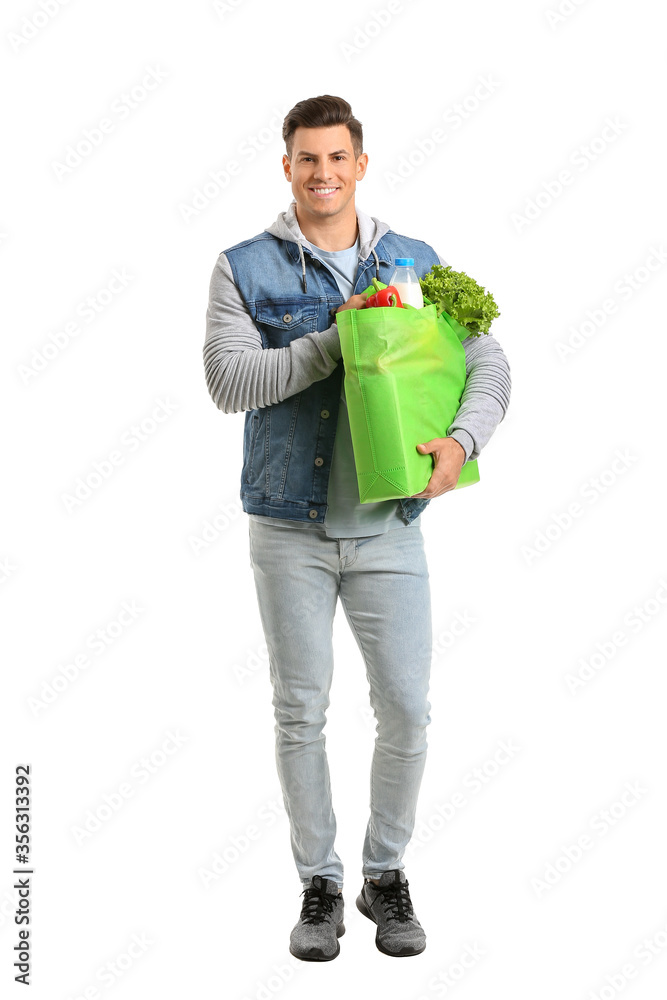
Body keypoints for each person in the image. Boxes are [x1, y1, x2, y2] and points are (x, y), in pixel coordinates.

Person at [203, 95, 511, 962]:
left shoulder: (413, 260)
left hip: (388, 525)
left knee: (407, 710)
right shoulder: (245, 268)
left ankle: (384, 873)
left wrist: (462, 439)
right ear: (287, 168)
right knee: (300, 709)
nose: (323, 173)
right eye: (307, 159)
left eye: (337, 157)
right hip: (287, 529)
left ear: (361, 164)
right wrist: (331, 345)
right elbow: (228, 381)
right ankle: (320, 883)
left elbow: (485, 359)